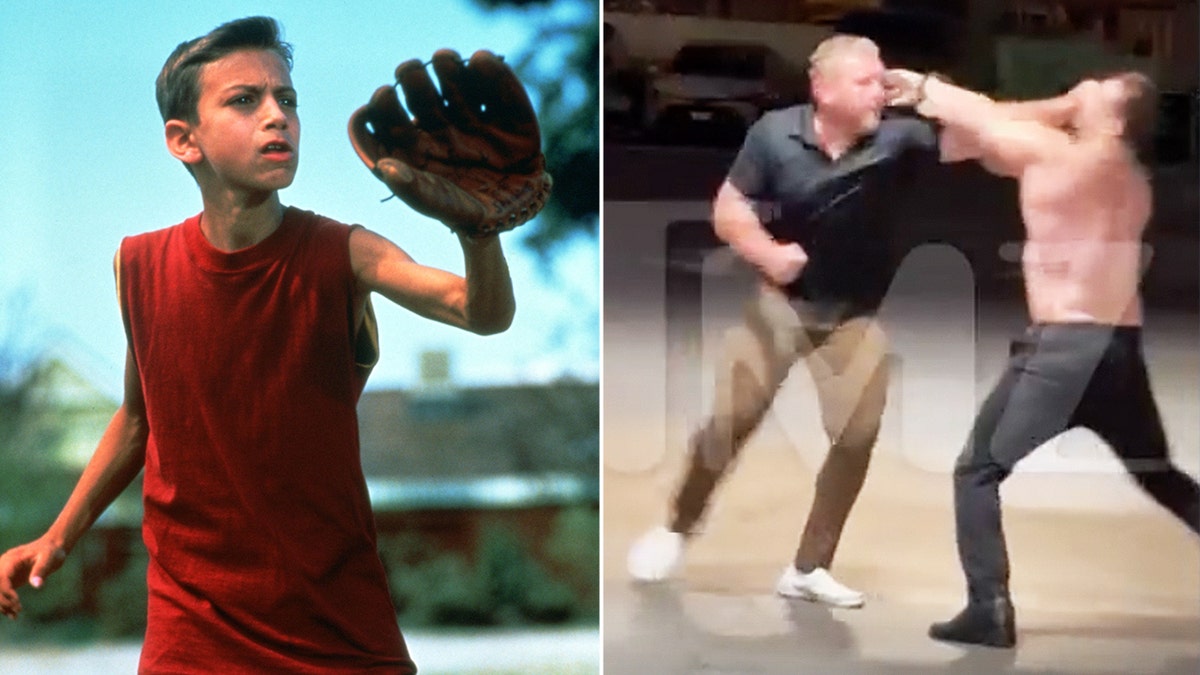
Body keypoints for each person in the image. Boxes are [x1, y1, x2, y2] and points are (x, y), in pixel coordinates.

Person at [0, 16, 545, 673]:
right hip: (192, 630)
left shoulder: (344, 252)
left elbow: (482, 314)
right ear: (183, 139)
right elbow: (141, 418)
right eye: (244, 100)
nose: (276, 115)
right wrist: (57, 537)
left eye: (286, 98)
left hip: (336, 625)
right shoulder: (139, 266)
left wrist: (478, 235)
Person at [626, 35, 947, 608]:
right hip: (782, 302)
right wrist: (768, 253)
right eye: (865, 81)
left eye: (881, 80)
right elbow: (729, 208)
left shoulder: (902, 138)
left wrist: (924, 90)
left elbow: (980, 137)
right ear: (823, 88)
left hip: (856, 314)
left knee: (857, 435)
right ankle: (677, 526)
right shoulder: (775, 134)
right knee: (731, 419)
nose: (879, 91)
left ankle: (809, 567)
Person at [884, 68, 1200, 647]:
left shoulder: (1068, 157)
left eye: (1099, 89)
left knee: (976, 471)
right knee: (1158, 474)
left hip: (1063, 351)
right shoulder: (1129, 174)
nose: (1086, 85)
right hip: (1117, 350)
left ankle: (989, 609)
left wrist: (924, 87)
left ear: (1115, 119)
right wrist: (1060, 106)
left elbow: (984, 119)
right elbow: (982, 138)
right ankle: (988, 606)